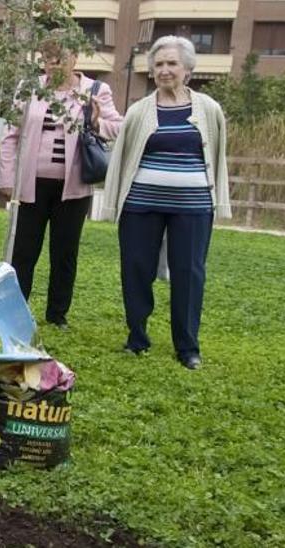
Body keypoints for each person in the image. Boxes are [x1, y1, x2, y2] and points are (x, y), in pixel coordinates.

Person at [101, 36, 230, 370]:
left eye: (172, 63)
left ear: (187, 69)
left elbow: (217, 158)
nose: (164, 70)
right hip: (141, 204)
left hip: (194, 206)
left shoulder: (208, 108)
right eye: (158, 64)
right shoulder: (140, 110)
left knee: (189, 273)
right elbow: (122, 159)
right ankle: (137, 337)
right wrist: (114, 202)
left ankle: (187, 347)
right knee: (136, 269)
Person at [0, 40, 123, 329]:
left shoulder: (95, 90)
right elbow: (10, 135)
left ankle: (57, 315)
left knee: (64, 252)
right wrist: (6, 178)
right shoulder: (30, 87)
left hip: (74, 187)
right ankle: (16, 310)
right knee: (23, 252)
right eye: (47, 58)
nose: (52, 64)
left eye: (59, 58)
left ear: (75, 58)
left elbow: (119, 126)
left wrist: (96, 121)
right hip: (31, 185)